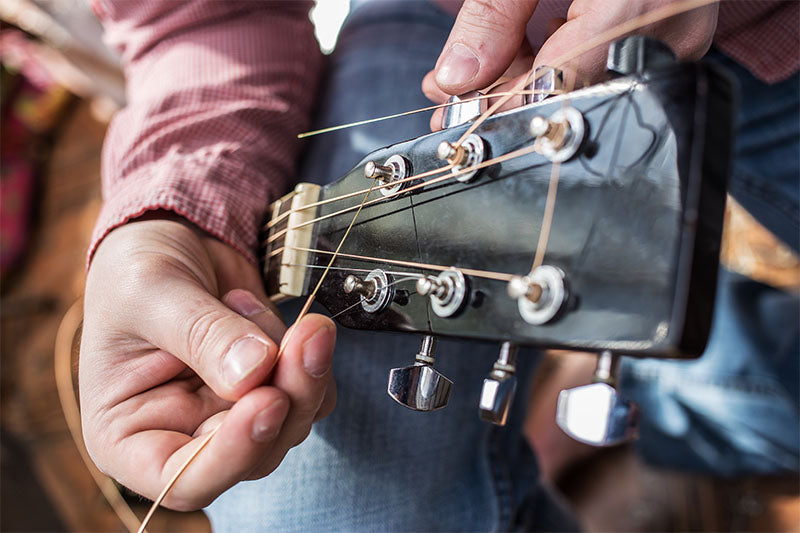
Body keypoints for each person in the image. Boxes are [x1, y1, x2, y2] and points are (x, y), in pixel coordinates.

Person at [79, 0, 796, 530]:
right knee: (328, 513)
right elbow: (196, 21)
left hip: (760, 28)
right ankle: (657, 364)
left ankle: (664, 377)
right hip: (439, 28)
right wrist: (178, 214)